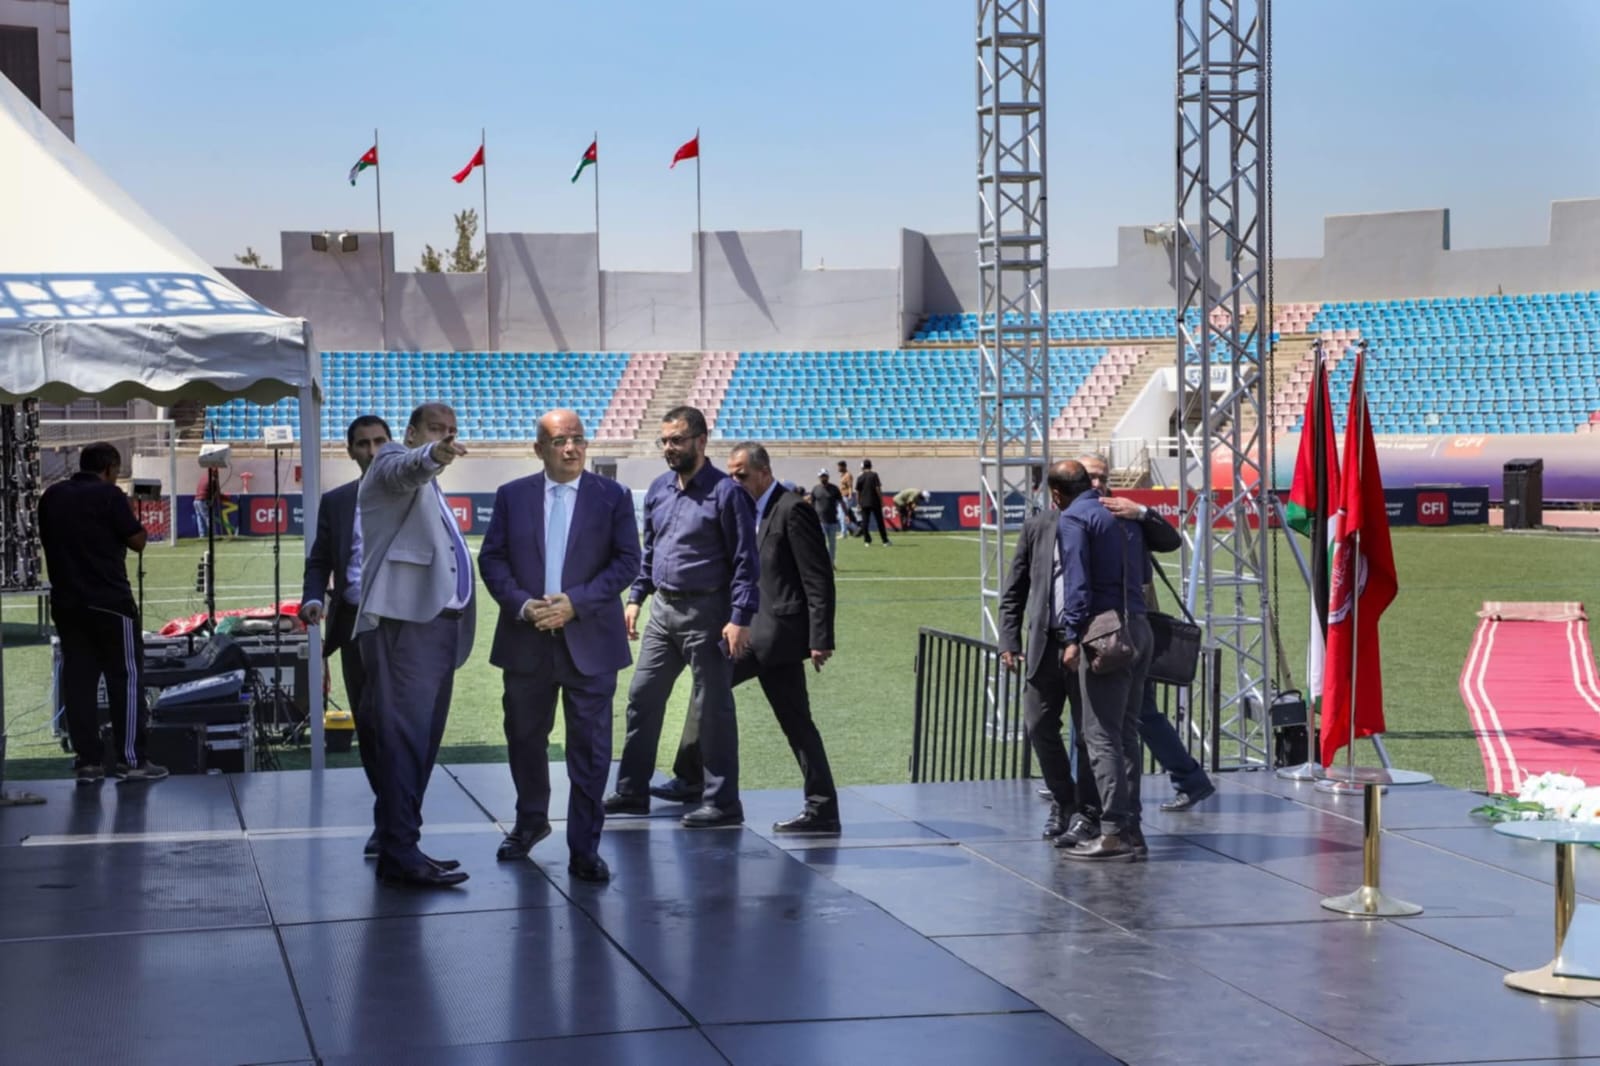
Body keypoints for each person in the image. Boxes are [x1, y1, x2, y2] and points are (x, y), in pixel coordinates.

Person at [478, 410, 641, 884]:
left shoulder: (612, 496)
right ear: (539, 449)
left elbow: (627, 561)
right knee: (524, 738)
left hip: (590, 642)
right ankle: (531, 821)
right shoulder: (512, 496)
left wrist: (576, 604)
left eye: (578, 439)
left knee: (590, 750)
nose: (571, 448)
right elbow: (492, 560)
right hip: (526, 641)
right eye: (558, 441)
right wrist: (523, 606)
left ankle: (584, 847)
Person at [669, 443, 842, 833]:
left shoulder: (792, 510)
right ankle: (822, 808)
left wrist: (821, 638)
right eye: (730, 474)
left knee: (711, 687)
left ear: (765, 472)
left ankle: (690, 779)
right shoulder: (742, 510)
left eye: (742, 475)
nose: (735, 481)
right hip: (755, 631)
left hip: (777, 636)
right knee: (794, 722)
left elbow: (818, 578)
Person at [607, 406, 759, 828]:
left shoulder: (727, 494)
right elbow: (651, 550)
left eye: (677, 440)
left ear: (701, 441)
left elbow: (746, 563)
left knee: (712, 709)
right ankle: (631, 791)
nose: (669, 448)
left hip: (708, 613)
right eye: (665, 441)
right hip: (662, 612)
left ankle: (723, 802)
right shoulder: (658, 489)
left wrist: (740, 617)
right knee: (642, 697)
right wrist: (636, 597)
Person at [354, 403, 475, 889]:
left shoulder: (430, 487)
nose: (446, 436)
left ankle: (400, 844)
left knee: (419, 743)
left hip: (437, 628)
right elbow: (405, 468)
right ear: (410, 433)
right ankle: (402, 851)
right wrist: (433, 455)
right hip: (407, 627)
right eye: (435, 430)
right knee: (404, 741)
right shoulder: (391, 459)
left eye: (452, 431)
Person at [1078, 452, 1215, 815]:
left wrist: (1141, 511)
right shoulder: (1079, 512)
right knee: (1108, 711)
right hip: (1101, 627)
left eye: (1102, 476)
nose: (1097, 483)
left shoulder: (1124, 511)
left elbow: (1170, 541)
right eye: (1090, 476)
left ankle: (1188, 778)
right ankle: (1187, 779)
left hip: (1127, 628)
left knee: (1137, 713)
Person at [39, 443, 167, 783]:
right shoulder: (110, 495)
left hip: (67, 603)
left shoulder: (51, 496)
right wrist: (132, 512)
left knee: (78, 682)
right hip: (110, 602)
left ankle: (88, 762)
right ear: (109, 468)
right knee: (125, 679)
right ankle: (131, 759)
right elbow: (137, 541)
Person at [299, 414, 392, 857]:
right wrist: (312, 597)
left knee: (401, 724)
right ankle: (387, 815)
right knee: (368, 723)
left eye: (379, 442)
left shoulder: (412, 493)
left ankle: (398, 817)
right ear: (350, 450)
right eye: (363, 444)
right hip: (354, 623)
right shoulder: (336, 502)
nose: (372, 451)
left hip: (402, 626)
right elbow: (319, 560)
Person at [1054, 460, 1153, 862]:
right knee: (1126, 733)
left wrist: (1071, 636)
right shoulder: (1122, 511)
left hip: (1105, 633)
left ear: (1056, 494)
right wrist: (1143, 512)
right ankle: (1131, 829)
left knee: (1101, 736)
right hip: (1140, 626)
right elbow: (1163, 547)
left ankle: (1112, 832)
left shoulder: (1074, 518)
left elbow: (1077, 583)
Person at [999, 460, 1086, 840]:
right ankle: (1065, 800)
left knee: (1090, 735)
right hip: (1043, 645)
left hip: (1087, 647)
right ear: (1056, 495)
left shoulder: (1104, 522)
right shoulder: (1037, 527)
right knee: (1038, 725)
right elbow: (1014, 588)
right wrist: (1009, 639)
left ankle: (1089, 812)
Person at [809, 468, 849, 567]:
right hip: (820, 521)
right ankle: (823, 563)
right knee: (821, 543)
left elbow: (841, 502)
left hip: (832, 521)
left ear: (828, 477)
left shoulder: (834, 489)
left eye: (825, 476)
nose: (823, 478)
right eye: (822, 476)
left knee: (832, 544)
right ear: (819, 477)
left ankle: (831, 563)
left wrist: (846, 514)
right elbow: (812, 504)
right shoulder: (815, 489)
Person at [194, 467, 236, 538]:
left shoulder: (203, 477)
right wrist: (227, 498)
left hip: (196, 501)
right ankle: (213, 535)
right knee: (209, 518)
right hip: (203, 501)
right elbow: (218, 495)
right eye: (216, 472)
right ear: (215, 473)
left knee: (200, 518)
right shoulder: (213, 480)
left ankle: (202, 535)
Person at [855, 459, 889, 545]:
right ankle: (885, 541)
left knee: (865, 522)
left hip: (864, 502)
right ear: (871, 466)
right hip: (875, 501)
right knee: (880, 522)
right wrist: (881, 500)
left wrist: (858, 503)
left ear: (863, 467)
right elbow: (877, 488)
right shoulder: (874, 475)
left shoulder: (860, 477)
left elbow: (858, 492)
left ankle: (867, 541)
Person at [836, 460, 858, 535]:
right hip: (842, 497)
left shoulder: (848, 475)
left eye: (839, 467)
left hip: (846, 497)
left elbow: (850, 486)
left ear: (843, 466)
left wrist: (850, 495)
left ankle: (844, 532)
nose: (838, 468)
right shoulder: (842, 475)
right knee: (840, 515)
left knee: (842, 514)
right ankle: (855, 528)